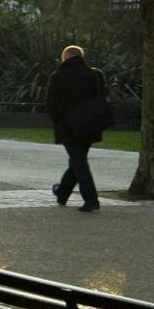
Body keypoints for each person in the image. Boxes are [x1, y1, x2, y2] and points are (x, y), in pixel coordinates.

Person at [45, 43, 109, 212]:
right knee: (78, 159)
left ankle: (91, 200)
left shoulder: (58, 76)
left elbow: (51, 103)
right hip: (92, 124)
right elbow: (102, 97)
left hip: (68, 126)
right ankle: (62, 193)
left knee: (78, 160)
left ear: (65, 58)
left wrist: (60, 120)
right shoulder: (96, 75)